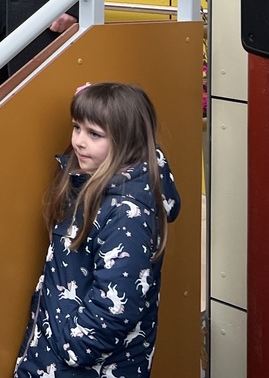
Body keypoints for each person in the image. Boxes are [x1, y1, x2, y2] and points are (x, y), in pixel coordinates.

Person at [13, 83, 180, 377]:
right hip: (58, 356)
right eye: (77, 127)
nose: (79, 141)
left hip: (82, 364)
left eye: (94, 134)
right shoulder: (89, 183)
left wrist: (70, 348)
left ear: (127, 140)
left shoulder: (127, 213)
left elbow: (116, 306)